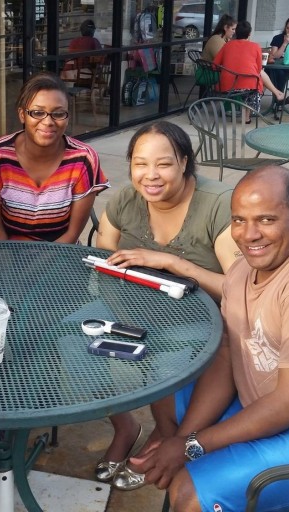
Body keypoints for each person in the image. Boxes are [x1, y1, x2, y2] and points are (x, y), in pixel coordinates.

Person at [114, 166, 289, 512]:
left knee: (190, 494)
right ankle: (175, 448)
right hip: (268, 408)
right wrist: (181, 440)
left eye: (266, 220)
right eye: (238, 220)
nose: (249, 235)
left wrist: (192, 445)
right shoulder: (246, 268)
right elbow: (225, 357)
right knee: (168, 384)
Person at [92, 121, 237, 485]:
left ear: (185, 162)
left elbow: (242, 289)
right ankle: (125, 425)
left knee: (163, 362)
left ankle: (167, 436)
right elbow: (101, 251)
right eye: (140, 163)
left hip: (201, 316)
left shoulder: (217, 205)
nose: (150, 175)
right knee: (72, 343)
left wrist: (172, 263)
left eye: (164, 164)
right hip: (131, 307)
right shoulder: (128, 198)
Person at [0, 72, 109, 243]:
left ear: (67, 117)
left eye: (58, 113)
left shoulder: (84, 159)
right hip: (3, 249)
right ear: (22, 115)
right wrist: (9, 266)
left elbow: (71, 235)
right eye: (38, 113)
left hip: (60, 253)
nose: (48, 122)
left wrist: (42, 268)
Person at [213, 21, 289, 123]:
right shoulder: (255, 46)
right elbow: (258, 69)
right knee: (252, 82)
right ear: (249, 34)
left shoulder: (227, 45)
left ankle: (277, 93)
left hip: (227, 85)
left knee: (250, 80)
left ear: (236, 33)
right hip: (248, 85)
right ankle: (247, 118)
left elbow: (214, 64)